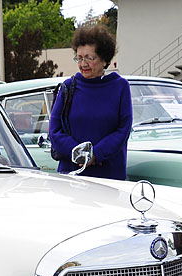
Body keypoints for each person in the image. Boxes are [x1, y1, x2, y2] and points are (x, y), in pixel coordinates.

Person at [48, 24, 131, 179]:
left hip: (109, 177)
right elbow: (55, 130)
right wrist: (79, 153)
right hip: (72, 177)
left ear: (104, 60)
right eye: (79, 58)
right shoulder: (68, 87)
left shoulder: (120, 87)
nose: (83, 64)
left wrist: (96, 154)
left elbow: (123, 129)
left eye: (89, 58)